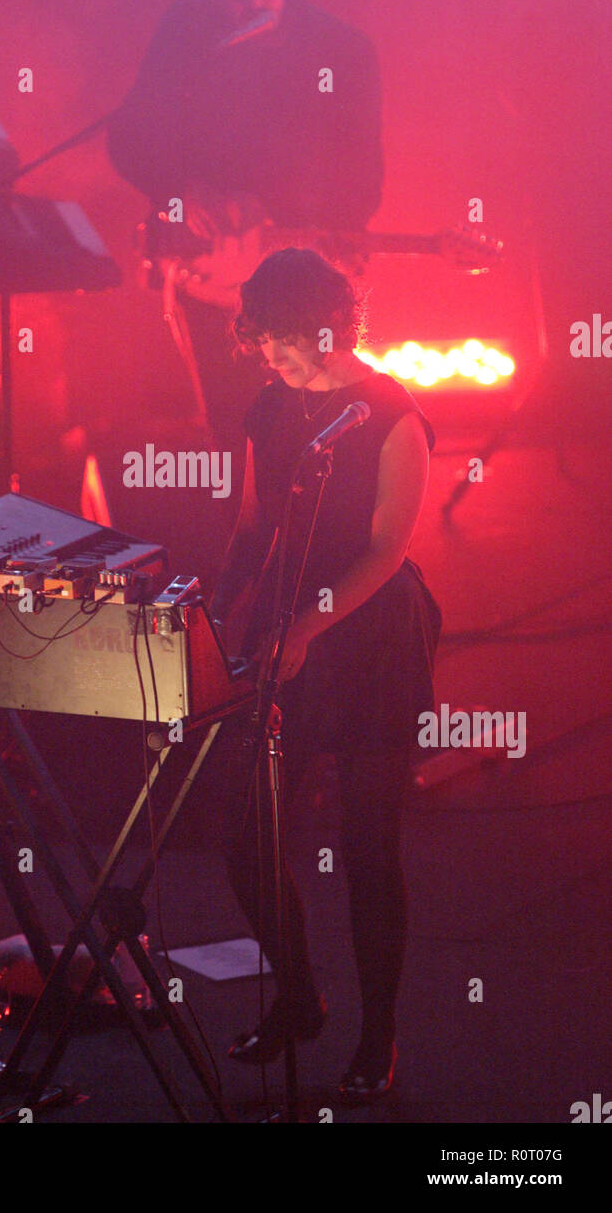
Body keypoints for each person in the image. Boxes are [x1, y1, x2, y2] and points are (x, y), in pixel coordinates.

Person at [208, 247, 441, 1104]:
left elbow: (386, 550)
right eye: (258, 338)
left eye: (280, 337)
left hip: (371, 636)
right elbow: (252, 524)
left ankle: (377, 1035)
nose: (267, 354)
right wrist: (212, 608)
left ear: (327, 326)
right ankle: (300, 996)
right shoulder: (270, 408)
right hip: (285, 630)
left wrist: (309, 625)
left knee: (368, 845)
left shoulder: (391, 415)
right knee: (244, 833)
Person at [106, 0, 384, 444]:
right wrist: (183, 191)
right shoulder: (185, 32)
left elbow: (360, 177)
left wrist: (276, 205)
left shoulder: (342, 49)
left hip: (304, 278)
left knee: (312, 432)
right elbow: (130, 137)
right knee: (234, 433)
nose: (251, 2)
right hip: (209, 280)